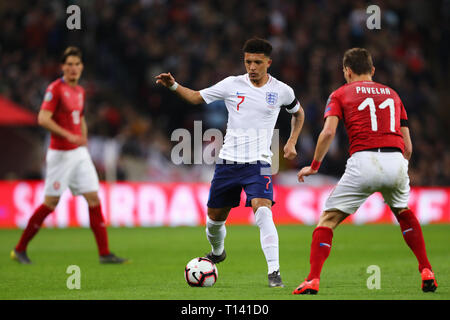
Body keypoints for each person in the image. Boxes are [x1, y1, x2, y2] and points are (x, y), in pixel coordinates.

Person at [156, 38, 305, 287]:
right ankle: (217, 252)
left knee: (263, 211)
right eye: (248, 61)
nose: (252, 67)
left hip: (259, 164)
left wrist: (291, 142)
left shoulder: (282, 91)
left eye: (258, 62)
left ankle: (274, 272)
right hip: (228, 163)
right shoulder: (231, 85)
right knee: (214, 220)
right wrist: (174, 86)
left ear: (269, 62)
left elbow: (298, 113)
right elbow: (195, 98)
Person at [292, 48, 437, 294]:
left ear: (347, 71)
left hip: (363, 161)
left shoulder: (339, 94)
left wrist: (314, 165)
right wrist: (398, 169)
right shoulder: (393, 94)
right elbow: (409, 147)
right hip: (396, 159)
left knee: (327, 220)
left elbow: (328, 133)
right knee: (403, 212)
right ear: (372, 70)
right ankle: (426, 270)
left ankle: (312, 279)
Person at [11, 47, 127, 265]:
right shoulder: (55, 89)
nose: (73, 68)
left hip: (79, 153)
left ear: (81, 67)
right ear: (62, 67)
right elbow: (43, 119)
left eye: (77, 64)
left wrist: (83, 138)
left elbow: (80, 117)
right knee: (51, 202)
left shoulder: (80, 92)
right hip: (60, 154)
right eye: (69, 64)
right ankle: (19, 249)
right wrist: (68, 135)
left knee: (93, 198)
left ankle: (104, 253)